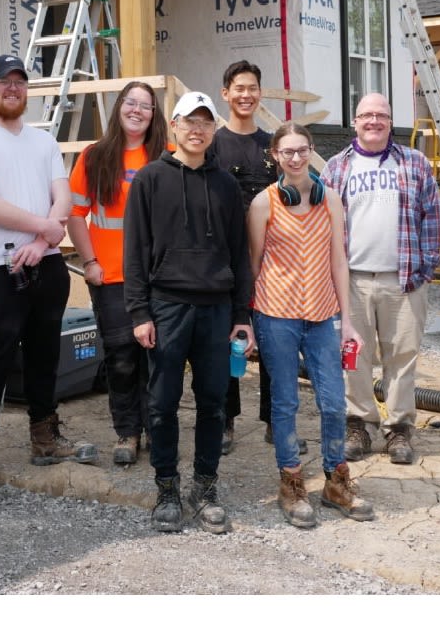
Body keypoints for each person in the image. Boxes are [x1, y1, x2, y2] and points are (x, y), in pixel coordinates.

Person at [0, 54, 94, 502]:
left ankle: (45, 437)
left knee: (44, 352)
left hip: (45, 262)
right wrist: (44, 229)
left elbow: (63, 196)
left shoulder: (44, 142)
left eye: (20, 82)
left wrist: (43, 240)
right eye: (4, 81)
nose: (13, 88)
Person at [125, 90, 256, 534]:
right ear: (175, 126)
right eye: (189, 121)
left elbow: (239, 254)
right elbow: (135, 253)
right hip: (166, 307)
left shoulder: (225, 186)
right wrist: (139, 312)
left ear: (213, 129)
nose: (197, 129)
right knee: (161, 403)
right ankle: (167, 488)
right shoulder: (149, 180)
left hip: (217, 309)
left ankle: (204, 485)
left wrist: (242, 314)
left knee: (213, 403)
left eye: (205, 122)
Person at [247, 123, 377, 527]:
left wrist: (347, 321)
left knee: (333, 402)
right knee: (284, 403)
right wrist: (249, 321)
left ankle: (336, 482)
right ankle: (290, 482)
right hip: (276, 317)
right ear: (275, 156)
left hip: (322, 318)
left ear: (311, 151)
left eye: (302, 150)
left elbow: (340, 261)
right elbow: (253, 266)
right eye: (287, 151)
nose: (296, 158)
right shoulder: (262, 204)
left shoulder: (332, 201)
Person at [322, 93, 440, 465]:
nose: (374, 121)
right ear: (355, 122)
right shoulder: (336, 168)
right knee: (353, 357)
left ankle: (399, 429)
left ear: (391, 122)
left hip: (402, 280)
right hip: (352, 280)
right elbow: (322, 225)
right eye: (366, 115)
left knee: (402, 357)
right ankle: (358, 424)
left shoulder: (415, 163)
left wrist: (422, 270)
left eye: (382, 115)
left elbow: (432, 219)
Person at [68, 80, 165, 467]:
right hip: (110, 277)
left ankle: (158, 429)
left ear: (154, 115)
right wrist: (90, 262)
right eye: (131, 103)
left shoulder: (166, 157)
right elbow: (75, 215)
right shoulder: (94, 156)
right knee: (122, 358)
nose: (137, 110)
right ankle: (127, 431)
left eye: (145, 105)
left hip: (158, 278)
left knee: (158, 358)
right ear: (119, 107)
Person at [204, 61, 279, 452]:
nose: (246, 95)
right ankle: (226, 421)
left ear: (260, 93)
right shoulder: (213, 145)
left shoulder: (272, 145)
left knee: (272, 341)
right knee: (226, 339)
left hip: (271, 262)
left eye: (252, 88)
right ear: (225, 94)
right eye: (238, 89)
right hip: (226, 258)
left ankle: (273, 420)